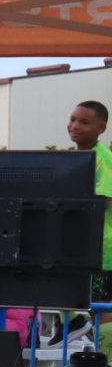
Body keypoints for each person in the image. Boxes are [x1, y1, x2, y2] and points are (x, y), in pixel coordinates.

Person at [73, 100, 112, 310]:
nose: (75, 126)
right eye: (72, 119)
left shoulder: (104, 158)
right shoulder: (78, 157)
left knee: (99, 309)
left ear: (101, 128)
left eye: (84, 122)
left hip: (102, 250)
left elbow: (106, 201)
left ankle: (103, 343)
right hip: (83, 247)